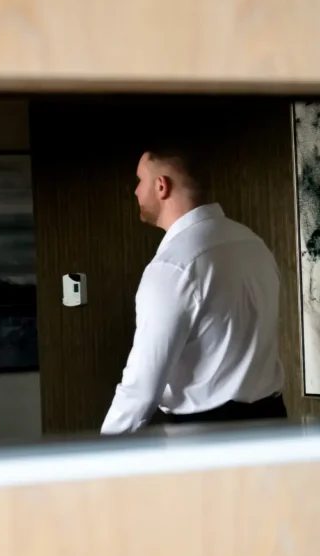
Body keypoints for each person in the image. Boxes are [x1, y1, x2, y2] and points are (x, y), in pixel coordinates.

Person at [100, 148, 285, 434]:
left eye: (139, 180)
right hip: (273, 427)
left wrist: (99, 458)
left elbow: (141, 389)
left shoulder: (172, 267)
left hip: (208, 438)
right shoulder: (253, 243)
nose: (136, 191)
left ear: (161, 186)